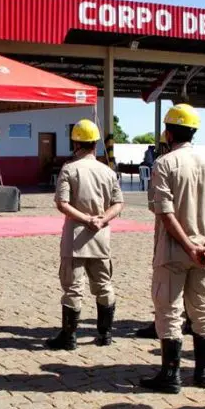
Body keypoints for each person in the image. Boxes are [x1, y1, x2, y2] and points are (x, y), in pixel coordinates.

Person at [140, 104, 205, 394]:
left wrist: (188, 245)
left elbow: (165, 214)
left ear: (168, 132)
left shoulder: (164, 164)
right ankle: (204, 373)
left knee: (169, 311)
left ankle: (171, 375)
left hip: (174, 252)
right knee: (203, 310)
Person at [45, 119, 124, 351]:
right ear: (95, 144)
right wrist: (102, 219)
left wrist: (85, 219)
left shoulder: (70, 169)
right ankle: (105, 333)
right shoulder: (108, 172)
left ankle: (69, 337)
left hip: (76, 237)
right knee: (104, 285)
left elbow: (62, 203)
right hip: (100, 238)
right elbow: (119, 203)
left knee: (72, 288)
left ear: (75, 143)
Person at [136, 134, 195, 340]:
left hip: (170, 236)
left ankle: (163, 328)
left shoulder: (164, 165)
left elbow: (155, 205)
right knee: (199, 297)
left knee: (167, 294)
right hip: (201, 236)